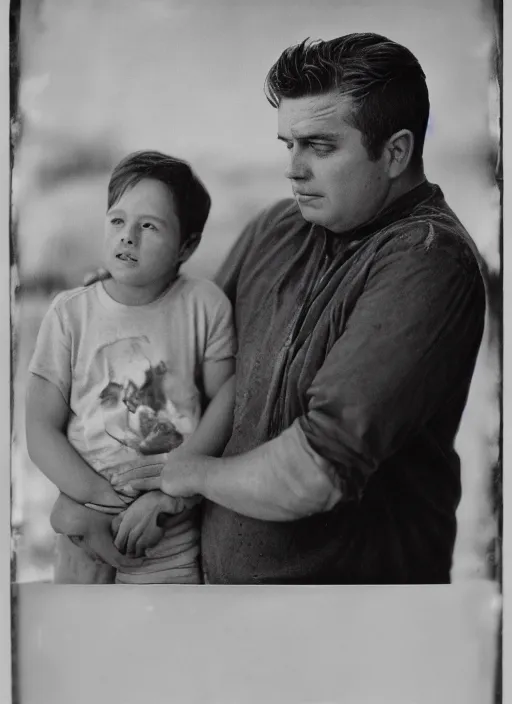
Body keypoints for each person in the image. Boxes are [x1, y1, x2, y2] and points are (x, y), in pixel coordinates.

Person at [59, 32, 486, 584]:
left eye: (321, 146)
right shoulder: (278, 227)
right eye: (289, 144)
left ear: (396, 152)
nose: (295, 168)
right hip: (222, 608)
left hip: (362, 622)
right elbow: (181, 368)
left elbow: (316, 472)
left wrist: (189, 477)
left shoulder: (428, 259)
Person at [26, 150, 236, 584]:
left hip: (170, 526)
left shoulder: (204, 305)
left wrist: (175, 483)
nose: (128, 237)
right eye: (117, 220)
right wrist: (94, 499)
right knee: (84, 636)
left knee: (163, 636)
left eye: (149, 226)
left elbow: (227, 396)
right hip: (86, 522)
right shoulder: (70, 314)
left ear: (187, 246)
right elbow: (39, 427)